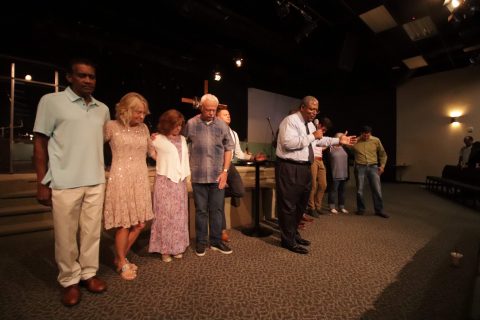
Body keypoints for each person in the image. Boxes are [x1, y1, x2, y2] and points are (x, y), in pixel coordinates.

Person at [33, 58, 109, 306]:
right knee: (65, 236)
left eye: (92, 76)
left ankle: (88, 274)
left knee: (91, 233)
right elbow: (40, 143)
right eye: (82, 75)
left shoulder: (102, 109)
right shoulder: (51, 102)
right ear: (69, 77)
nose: (88, 80)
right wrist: (42, 182)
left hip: (95, 180)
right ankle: (69, 281)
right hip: (64, 181)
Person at [275, 96, 356, 254]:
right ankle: (287, 240)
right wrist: (313, 136)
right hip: (290, 167)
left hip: (305, 167)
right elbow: (288, 143)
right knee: (288, 205)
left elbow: (318, 140)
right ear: (302, 107)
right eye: (311, 109)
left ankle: (293, 233)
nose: (313, 112)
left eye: (316, 110)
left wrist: (339, 140)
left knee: (301, 204)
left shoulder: (310, 124)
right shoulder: (290, 121)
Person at [103, 92, 154, 280]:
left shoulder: (144, 129)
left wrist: (167, 142)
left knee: (140, 223)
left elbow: (152, 151)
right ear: (126, 110)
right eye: (138, 112)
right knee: (124, 223)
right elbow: (92, 146)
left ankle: (119, 258)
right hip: (121, 178)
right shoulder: (111, 127)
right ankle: (123, 261)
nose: (141, 117)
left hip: (140, 178)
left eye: (144, 113)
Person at [183, 93, 235, 256]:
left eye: (214, 110)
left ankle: (216, 241)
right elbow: (180, 142)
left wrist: (225, 172)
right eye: (208, 110)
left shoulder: (222, 125)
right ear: (201, 108)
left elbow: (229, 148)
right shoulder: (191, 124)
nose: (212, 113)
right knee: (201, 211)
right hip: (198, 175)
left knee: (217, 210)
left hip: (217, 176)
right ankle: (201, 242)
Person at [215, 106, 266, 242]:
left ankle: (215, 193)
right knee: (219, 201)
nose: (228, 115)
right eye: (225, 114)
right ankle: (222, 231)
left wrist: (253, 157)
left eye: (229, 114)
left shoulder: (234, 133)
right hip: (217, 165)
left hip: (229, 165)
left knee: (239, 191)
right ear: (217, 117)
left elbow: (239, 154)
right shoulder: (214, 130)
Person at [149, 109, 191, 262]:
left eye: (180, 125)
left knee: (179, 216)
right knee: (165, 216)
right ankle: (164, 249)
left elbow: (184, 158)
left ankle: (177, 247)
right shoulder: (157, 138)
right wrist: (158, 158)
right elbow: (150, 151)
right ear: (167, 124)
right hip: (165, 182)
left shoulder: (183, 139)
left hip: (179, 183)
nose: (178, 128)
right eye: (175, 125)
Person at [352, 125, 389, 218]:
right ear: (361, 134)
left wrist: (382, 166)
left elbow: (383, 154)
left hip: (373, 167)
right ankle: (361, 209)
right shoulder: (355, 141)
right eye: (364, 135)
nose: (366, 137)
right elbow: (346, 147)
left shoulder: (376, 140)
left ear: (370, 134)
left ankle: (379, 210)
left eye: (368, 135)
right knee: (359, 190)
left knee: (377, 189)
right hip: (360, 167)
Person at [306, 117, 332, 217]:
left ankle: (318, 206)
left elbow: (320, 145)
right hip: (313, 160)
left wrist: (328, 144)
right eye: (324, 129)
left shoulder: (320, 135)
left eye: (326, 130)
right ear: (319, 125)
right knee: (313, 185)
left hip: (320, 160)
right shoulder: (312, 130)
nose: (324, 132)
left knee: (323, 184)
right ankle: (311, 208)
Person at [327, 133, 350, 214]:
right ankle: (332, 206)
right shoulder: (330, 148)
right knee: (333, 190)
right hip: (334, 173)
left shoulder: (344, 148)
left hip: (344, 173)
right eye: (342, 138)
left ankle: (341, 207)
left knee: (342, 191)